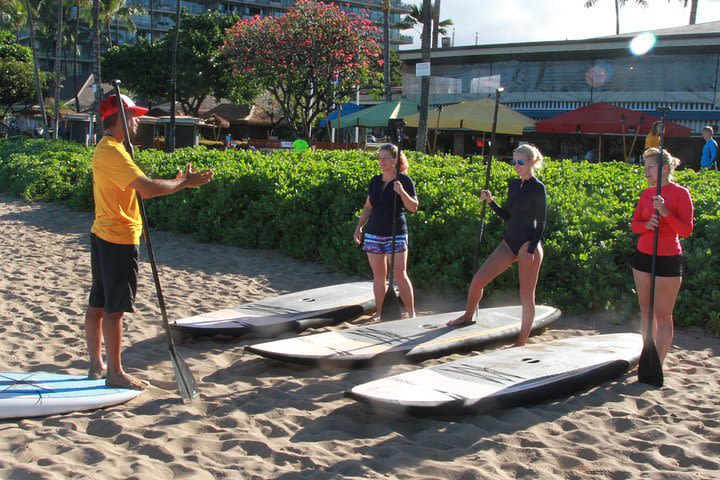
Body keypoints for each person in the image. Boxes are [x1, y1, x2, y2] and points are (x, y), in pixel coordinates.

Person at [85, 93, 214, 390]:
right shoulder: (112, 152)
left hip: (103, 232)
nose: (138, 120)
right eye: (133, 115)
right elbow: (146, 189)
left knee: (99, 303)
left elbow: (138, 186)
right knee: (113, 308)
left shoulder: (110, 148)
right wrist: (183, 183)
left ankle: (96, 365)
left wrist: (174, 181)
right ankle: (114, 373)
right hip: (117, 237)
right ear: (119, 117)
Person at [447, 144, 547, 348]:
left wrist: (530, 250)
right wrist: (491, 202)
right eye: (514, 161)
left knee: (526, 296)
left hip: (529, 244)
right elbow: (507, 216)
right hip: (510, 240)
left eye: (521, 162)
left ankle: (521, 341)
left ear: (531, 163)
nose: (516, 165)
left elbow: (541, 222)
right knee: (477, 280)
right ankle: (467, 315)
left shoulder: (538, 188)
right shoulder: (513, 185)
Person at [631, 148, 693, 364]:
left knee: (662, 315)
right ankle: (647, 355)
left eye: (650, 167)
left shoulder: (680, 193)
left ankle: (658, 361)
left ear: (665, 168)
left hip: (668, 257)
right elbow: (635, 225)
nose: (645, 171)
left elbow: (686, 230)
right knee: (646, 311)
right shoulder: (646, 194)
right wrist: (647, 224)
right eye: (644, 166)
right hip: (643, 256)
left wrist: (666, 212)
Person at [353, 143, 419, 319]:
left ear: (394, 160)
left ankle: (411, 313)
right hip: (374, 233)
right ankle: (381, 313)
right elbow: (368, 206)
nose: (381, 161)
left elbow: (414, 207)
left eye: (385, 158)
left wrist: (402, 193)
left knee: (399, 275)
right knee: (379, 277)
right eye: (379, 158)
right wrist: (359, 226)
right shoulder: (375, 180)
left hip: (396, 233)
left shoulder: (404, 180)